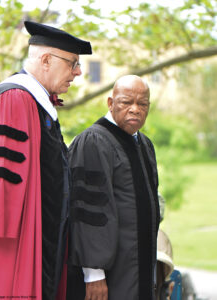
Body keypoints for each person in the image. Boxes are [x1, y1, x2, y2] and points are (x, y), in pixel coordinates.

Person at [0, 21, 92, 300]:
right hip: (16, 246)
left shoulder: (40, 104)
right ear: (46, 60)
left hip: (45, 237)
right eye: (72, 63)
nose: (78, 72)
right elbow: (4, 184)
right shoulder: (15, 98)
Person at [67, 75, 160, 300]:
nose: (135, 109)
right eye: (126, 102)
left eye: (142, 104)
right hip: (109, 272)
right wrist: (93, 274)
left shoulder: (144, 144)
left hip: (138, 264)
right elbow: (87, 212)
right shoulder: (93, 141)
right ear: (110, 103)